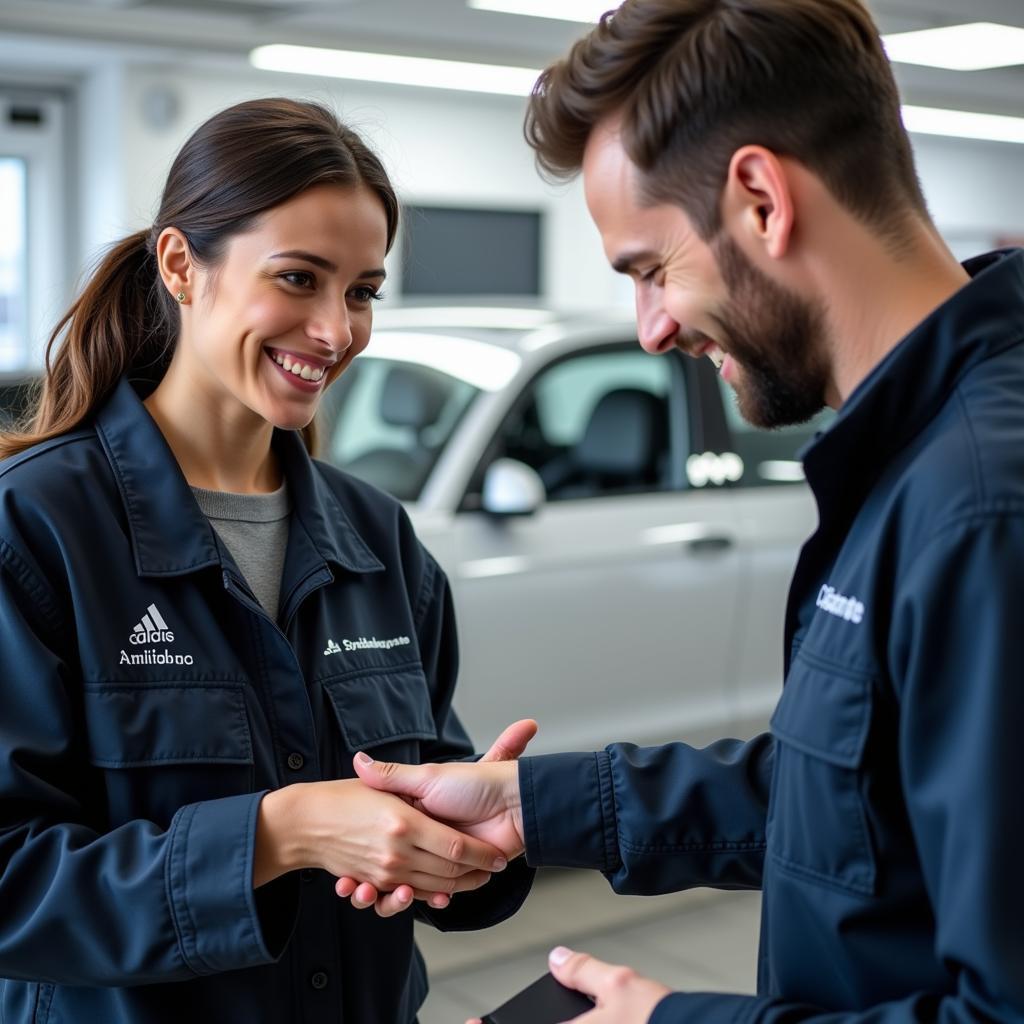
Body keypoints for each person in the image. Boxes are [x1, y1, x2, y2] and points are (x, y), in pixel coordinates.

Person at [335, 1, 1024, 1021]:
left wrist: (664, 1022)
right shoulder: (913, 458)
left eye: (651, 270)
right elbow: (852, 800)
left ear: (758, 199)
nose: (651, 329)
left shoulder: (979, 514)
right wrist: (533, 808)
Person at [0, 97, 537, 1023]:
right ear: (180, 265)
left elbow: (421, 790)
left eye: (362, 291)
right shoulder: (35, 530)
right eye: (298, 279)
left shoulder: (377, 541)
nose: (336, 331)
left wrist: (474, 842)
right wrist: (276, 835)